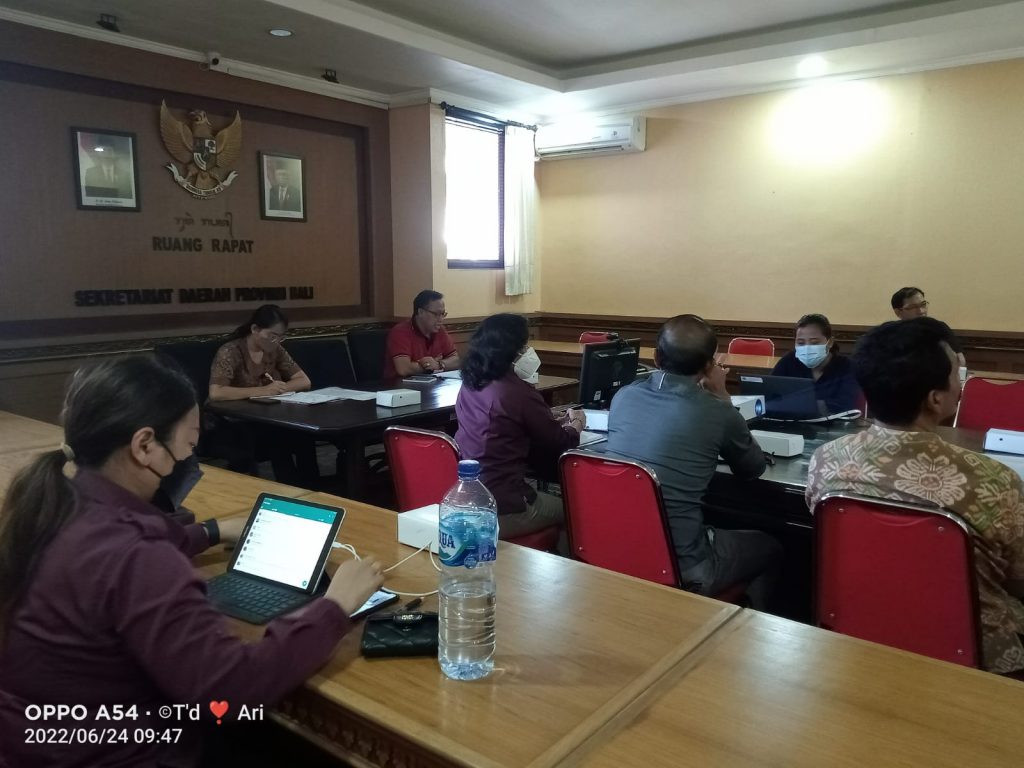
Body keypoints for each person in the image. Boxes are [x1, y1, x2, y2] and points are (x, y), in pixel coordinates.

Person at [0, 356, 383, 767]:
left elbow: (125, 551)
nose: (188, 458)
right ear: (144, 446)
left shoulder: (51, 507)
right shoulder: (139, 555)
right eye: (187, 444)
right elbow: (231, 690)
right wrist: (335, 606)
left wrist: (213, 531)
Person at [806, 317, 1024, 675]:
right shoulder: (994, 480)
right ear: (935, 398)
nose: (960, 383)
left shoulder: (826, 460)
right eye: (956, 374)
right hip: (976, 655)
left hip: (858, 633)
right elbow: (1018, 578)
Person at [607, 314, 782, 609]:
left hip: (615, 550)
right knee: (771, 547)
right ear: (709, 366)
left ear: (656, 357)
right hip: (684, 566)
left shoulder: (623, 397)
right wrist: (723, 396)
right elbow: (753, 468)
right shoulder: (718, 412)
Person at [455, 313, 584, 539]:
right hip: (503, 507)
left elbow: (501, 424)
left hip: (467, 498)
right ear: (511, 350)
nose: (527, 351)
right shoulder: (517, 391)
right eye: (524, 346)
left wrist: (544, 420)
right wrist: (576, 424)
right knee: (578, 511)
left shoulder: (470, 382)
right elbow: (560, 442)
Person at [208, 305, 316, 484]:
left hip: (268, 414)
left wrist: (279, 388)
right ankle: (289, 487)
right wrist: (262, 391)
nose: (276, 341)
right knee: (278, 436)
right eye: (272, 336)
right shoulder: (230, 351)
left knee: (304, 433)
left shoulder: (275, 349)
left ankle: (312, 486)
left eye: (281, 337)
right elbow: (216, 392)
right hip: (234, 421)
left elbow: (304, 381)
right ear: (255, 329)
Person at [771, 313, 861, 414]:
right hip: (791, 420)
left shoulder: (846, 366)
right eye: (801, 343)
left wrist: (797, 404)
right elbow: (771, 393)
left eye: (814, 343)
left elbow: (845, 404)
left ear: (830, 342)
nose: (807, 348)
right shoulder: (788, 361)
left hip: (835, 422)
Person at [384, 290, 460, 379]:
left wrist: (438, 364)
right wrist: (429, 366)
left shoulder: (440, 330)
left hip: (432, 382)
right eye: (436, 314)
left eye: (442, 314)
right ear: (420, 312)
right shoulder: (400, 332)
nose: (441, 319)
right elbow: (404, 369)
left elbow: (456, 360)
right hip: (399, 385)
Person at [891, 286, 967, 373]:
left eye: (923, 304)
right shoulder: (891, 334)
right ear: (898, 312)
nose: (921, 311)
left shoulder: (939, 328)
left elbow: (960, 360)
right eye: (913, 307)